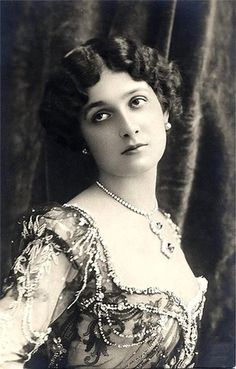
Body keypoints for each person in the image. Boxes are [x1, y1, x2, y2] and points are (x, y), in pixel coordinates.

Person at [0, 36, 208, 369]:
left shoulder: (164, 225)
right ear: (82, 137)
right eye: (101, 116)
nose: (128, 127)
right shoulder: (69, 234)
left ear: (164, 109)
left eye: (137, 102)